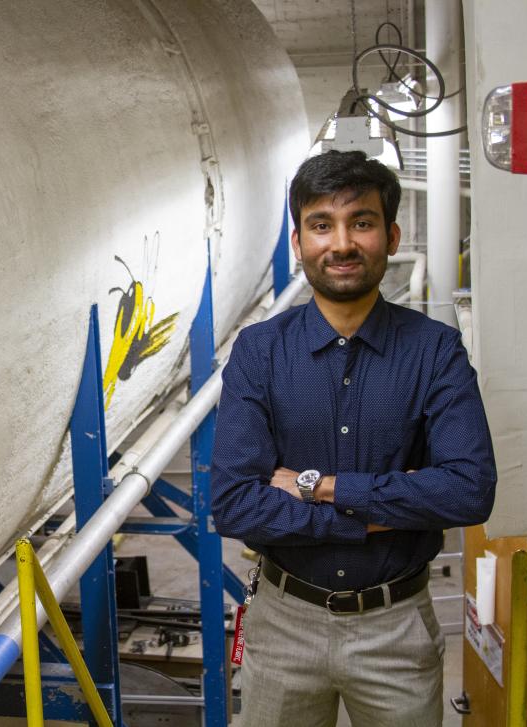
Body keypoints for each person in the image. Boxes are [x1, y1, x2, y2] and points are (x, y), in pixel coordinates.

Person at [211, 149, 496, 726]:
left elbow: (469, 490)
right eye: (321, 225)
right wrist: (379, 509)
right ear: (299, 242)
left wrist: (317, 487)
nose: (341, 244)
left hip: (396, 630)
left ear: (390, 236)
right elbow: (234, 504)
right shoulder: (260, 351)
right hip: (283, 625)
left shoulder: (434, 350)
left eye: (360, 223)